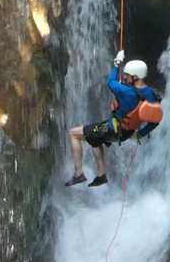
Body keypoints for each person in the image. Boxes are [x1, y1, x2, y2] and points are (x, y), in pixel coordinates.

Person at [65, 50, 161, 187]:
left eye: (127, 75)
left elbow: (110, 82)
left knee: (74, 134)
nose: (126, 77)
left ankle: (78, 174)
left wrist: (117, 64)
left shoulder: (124, 91)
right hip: (126, 133)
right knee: (93, 136)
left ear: (135, 76)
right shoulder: (152, 94)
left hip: (112, 129)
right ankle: (101, 175)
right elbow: (155, 120)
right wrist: (140, 134)